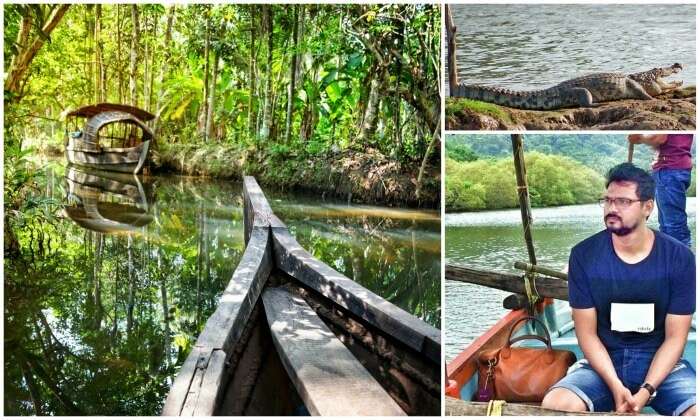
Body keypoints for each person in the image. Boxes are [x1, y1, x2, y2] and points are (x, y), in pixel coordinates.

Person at [541, 163, 696, 415]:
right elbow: (587, 334)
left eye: (624, 201)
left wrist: (646, 389)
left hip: (665, 365)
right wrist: (615, 385)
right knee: (556, 406)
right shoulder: (584, 255)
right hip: (603, 363)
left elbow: (676, 337)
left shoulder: (679, 258)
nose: (612, 208)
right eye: (608, 200)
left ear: (648, 207)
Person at [627, 134, 693, 247]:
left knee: (672, 225)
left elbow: (658, 138)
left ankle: (681, 262)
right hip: (671, 169)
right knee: (667, 225)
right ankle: (671, 260)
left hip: (669, 169)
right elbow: (658, 141)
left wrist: (639, 137)